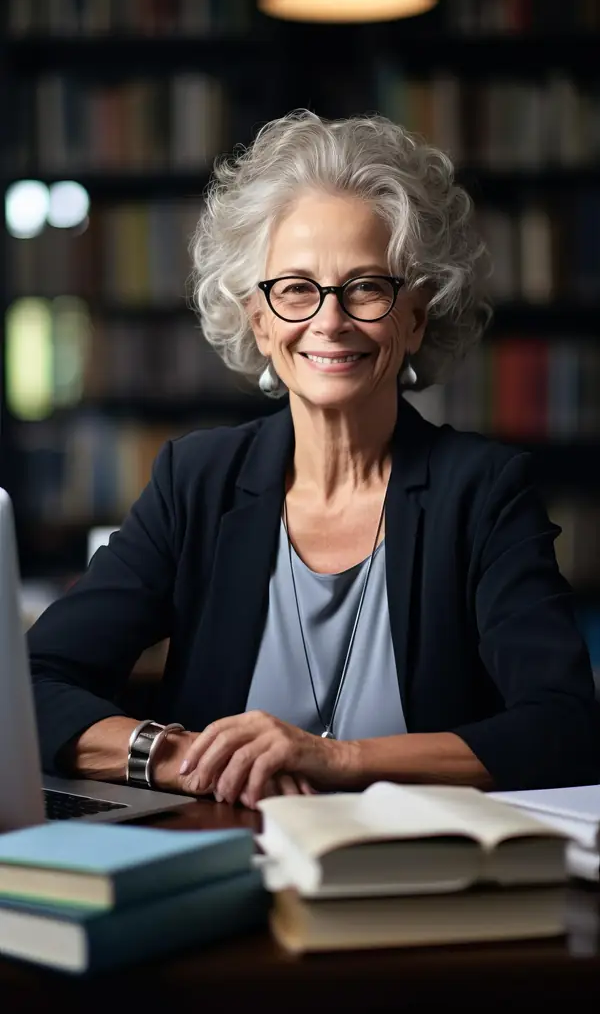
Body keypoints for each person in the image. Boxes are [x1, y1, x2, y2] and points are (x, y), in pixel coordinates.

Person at [29, 110, 600, 809]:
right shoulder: (196, 482)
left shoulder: (482, 493)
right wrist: (184, 758)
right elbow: (31, 683)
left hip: (420, 880)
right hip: (216, 868)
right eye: (296, 288)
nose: (329, 320)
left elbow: (564, 725)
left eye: (366, 286)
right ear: (259, 319)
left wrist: (338, 758)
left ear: (416, 315)